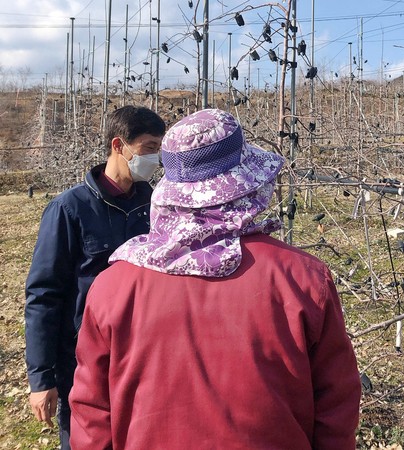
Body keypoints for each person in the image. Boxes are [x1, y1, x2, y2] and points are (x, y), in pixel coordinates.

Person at [69, 108, 361, 449]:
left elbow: (91, 415)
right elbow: (336, 407)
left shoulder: (113, 286)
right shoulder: (303, 279)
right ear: (246, 184)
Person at [25, 105, 166, 449]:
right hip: (82, 360)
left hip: (143, 356)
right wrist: (41, 378)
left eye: (159, 149)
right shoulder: (70, 209)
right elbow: (44, 294)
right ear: (119, 145)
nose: (156, 159)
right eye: (149, 148)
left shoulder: (157, 204)